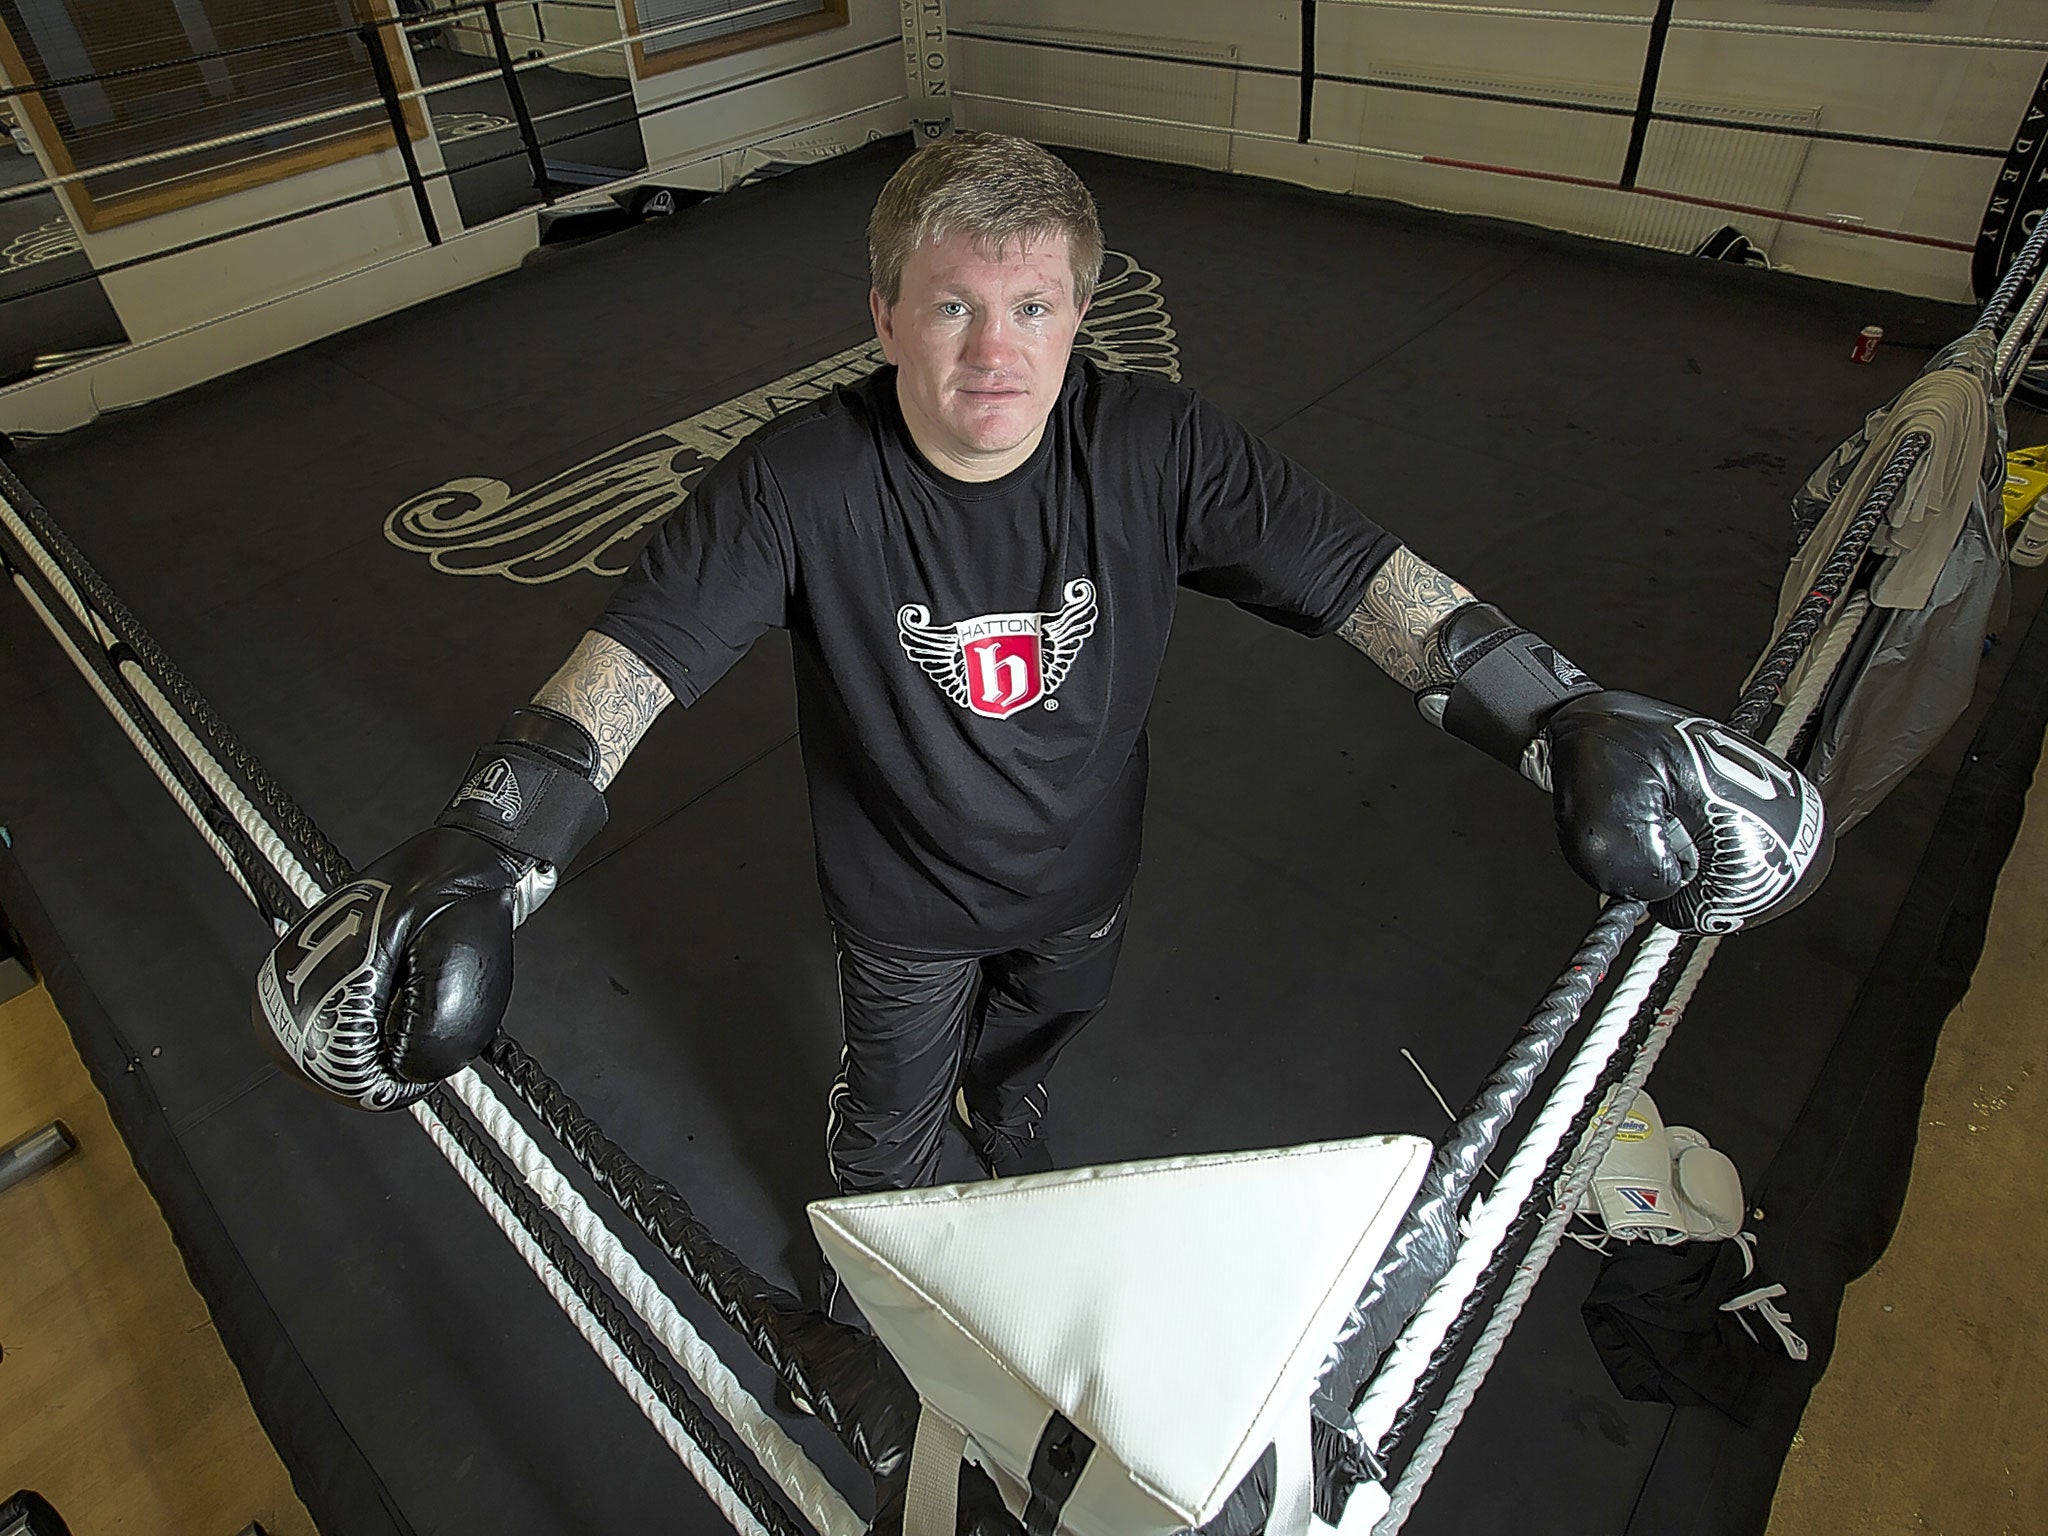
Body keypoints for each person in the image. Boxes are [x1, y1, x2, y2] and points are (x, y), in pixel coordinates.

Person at [255, 134, 1829, 1206]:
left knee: (1030, 1073)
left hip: (1086, 876)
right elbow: (640, 656)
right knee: (887, 1130)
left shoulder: (1156, 445)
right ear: (884, 316)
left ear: (1083, 315)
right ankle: (888, 1260)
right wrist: (495, 836)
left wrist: (1552, 712)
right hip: (901, 906)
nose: (989, 352)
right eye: (950, 306)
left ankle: (1010, 1125)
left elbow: (1367, 583)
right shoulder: (802, 479)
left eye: (1028, 308)